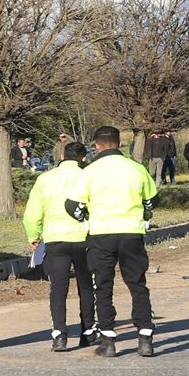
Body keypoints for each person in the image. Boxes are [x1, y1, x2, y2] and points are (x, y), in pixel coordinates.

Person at [68, 126, 160, 357]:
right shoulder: (135, 168)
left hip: (101, 234)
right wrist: (143, 214)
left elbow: (72, 205)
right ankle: (145, 336)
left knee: (103, 286)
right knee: (137, 284)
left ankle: (108, 340)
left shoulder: (89, 171)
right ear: (119, 143)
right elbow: (151, 200)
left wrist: (86, 217)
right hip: (131, 233)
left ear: (96, 145)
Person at [23, 141, 94, 353]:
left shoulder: (45, 179)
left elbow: (33, 211)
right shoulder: (88, 176)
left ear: (62, 155)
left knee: (58, 288)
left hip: (55, 239)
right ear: (83, 158)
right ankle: (88, 331)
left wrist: (33, 235)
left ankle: (59, 335)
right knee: (87, 286)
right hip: (85, 238)